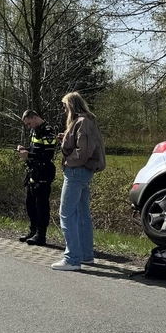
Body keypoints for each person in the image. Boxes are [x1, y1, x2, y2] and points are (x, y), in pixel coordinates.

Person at [52, 91, 106, 271]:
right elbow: (83, 145)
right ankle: (85, 255)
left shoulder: (82, 122)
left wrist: (68, 162)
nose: (64, 109)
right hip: (84, 172)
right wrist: (66, 138)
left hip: (76, 172)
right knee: (82, 213)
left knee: (66, 213)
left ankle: (72, 259)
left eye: (65, 105)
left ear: (72, 105)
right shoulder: (87, 122)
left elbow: (83, 151)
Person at [16, 110, 58, 246]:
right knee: (30, 203)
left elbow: (48, 155)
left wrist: (29, 155)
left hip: (44, 172)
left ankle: (41, 235)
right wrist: (25, 149)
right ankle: (33, 231)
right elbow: (36, 150)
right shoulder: (35, 131)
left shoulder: (47, 131)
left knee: (41, 204)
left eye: (29, 123)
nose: (29, 127)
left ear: (35, 118)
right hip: (33, 172)